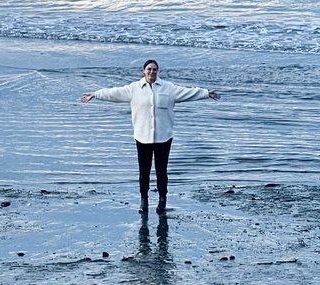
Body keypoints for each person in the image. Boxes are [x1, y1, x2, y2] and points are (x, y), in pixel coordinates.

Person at [81, 59, 219, 213]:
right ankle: (144, 200)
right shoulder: (134, 89)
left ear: (157, 72)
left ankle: (162, 200)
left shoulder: (168, 88)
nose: (152, 72)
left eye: (154, 70)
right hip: (142, 137)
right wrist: (96, 94)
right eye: (149, 69)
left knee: (162, 171)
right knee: (144, 171)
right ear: (144, 71)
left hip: (164, 137)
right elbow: (114, 93)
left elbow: (188, 92)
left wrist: (206, 93)